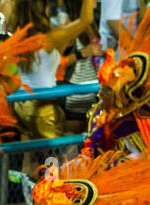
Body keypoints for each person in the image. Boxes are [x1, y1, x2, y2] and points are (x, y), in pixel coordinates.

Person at [7, 0, 95, 142]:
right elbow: (86, 20)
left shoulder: (15, 40)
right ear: (41, 10)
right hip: (44, 108)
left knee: (29, 159)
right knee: (53, 160)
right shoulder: (49, 39)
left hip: (20, 106)